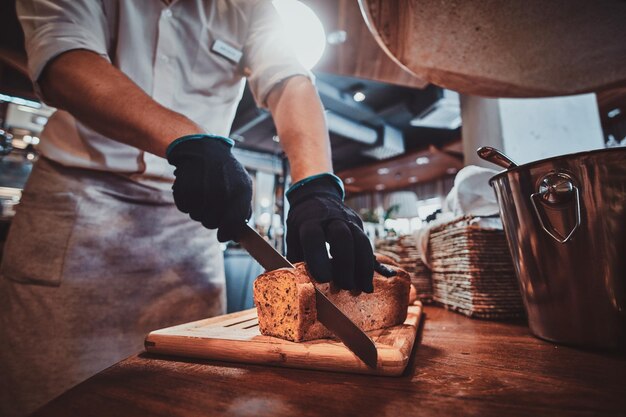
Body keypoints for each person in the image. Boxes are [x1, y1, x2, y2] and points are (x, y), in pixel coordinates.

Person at [0, 1, 390, 416]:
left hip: (193, 228)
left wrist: (316, 187)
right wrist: (186, 138)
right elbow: (63, 57)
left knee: (188, 397)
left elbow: (290, 81)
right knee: (51, 397)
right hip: (78, 212)